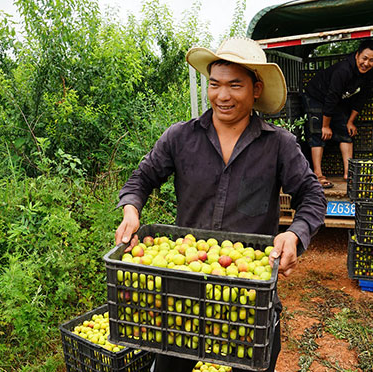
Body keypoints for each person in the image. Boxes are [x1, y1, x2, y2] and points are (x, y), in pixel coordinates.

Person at [114, 36, 327, 371]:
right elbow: (141, 179)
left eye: (235, 85)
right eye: (214, 84)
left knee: (251, 361)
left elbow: (312, 196)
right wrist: (131, 209)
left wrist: (295, 234)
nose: (222, 95)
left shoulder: (278, 145)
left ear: (256, 89)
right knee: (174, 361)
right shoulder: (180, 138)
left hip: (247, 294)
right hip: (184, 292)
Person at [303, 39, 373, 188]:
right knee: (318, 133)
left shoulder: (370, 72)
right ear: (357, 55)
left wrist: (350, 121)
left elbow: (362, 97)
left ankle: (349, 174)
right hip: (316, 96)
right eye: (364, 58)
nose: (366, 63)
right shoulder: (343, 70)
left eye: (371, 60)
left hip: (338, 100)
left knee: (346, 131)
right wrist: (325, 126)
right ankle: (318, 175)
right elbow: (331, 97)